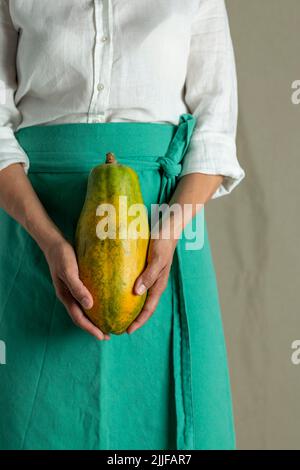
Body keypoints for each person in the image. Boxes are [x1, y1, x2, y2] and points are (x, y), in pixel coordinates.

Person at [0, 0, 245, 450]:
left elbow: (215, 132)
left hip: (161, 231)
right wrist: (50, 240)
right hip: (35, 223)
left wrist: (168, 233)